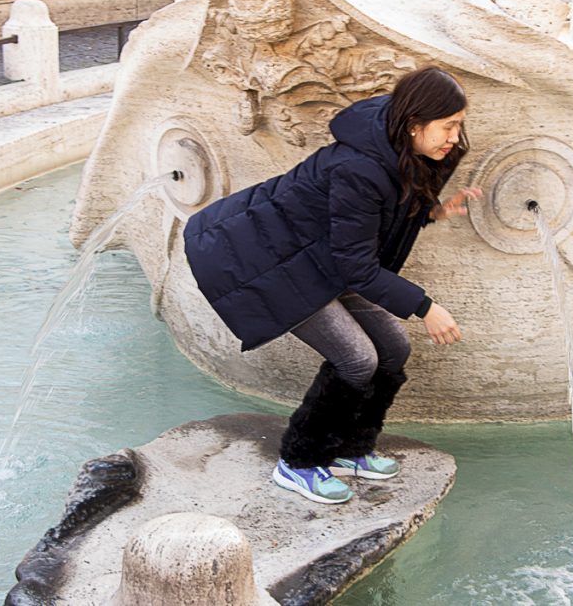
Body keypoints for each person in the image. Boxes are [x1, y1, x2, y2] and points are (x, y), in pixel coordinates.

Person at [184, 67, 480, 504]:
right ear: (415, 124)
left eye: (458, 125)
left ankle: (350, 447)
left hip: (320, 258)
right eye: (449, 126)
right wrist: (424, 306)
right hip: (267, 260)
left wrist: (433, 212)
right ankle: (299, 462)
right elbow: (357, 264)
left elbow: (380, 217)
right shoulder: (358, 168)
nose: (455, 136)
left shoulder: (399, 144)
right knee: (358, 359)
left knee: (394, 349)